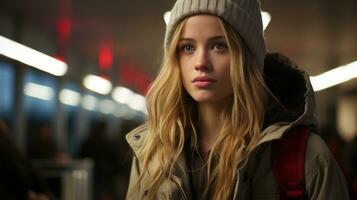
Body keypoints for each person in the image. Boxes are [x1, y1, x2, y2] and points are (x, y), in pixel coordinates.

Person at [125, 0, 350, 199]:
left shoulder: (307, 158)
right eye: (188, 47)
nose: (200, 62)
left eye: (219, 45)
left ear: (247, 58)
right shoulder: (152, 154)